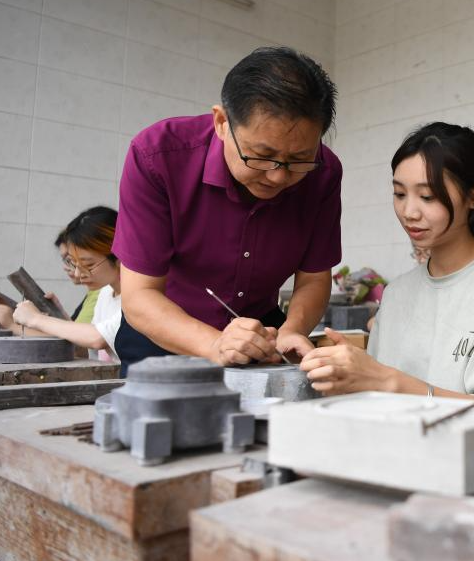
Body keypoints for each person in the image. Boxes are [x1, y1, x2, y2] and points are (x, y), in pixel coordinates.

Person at [112, 47, 342, 371]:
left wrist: (292, 330)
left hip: (262, 337)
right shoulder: (157, 156)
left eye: (298, 159)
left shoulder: (323, 173)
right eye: (262, 155)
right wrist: (214, 344)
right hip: (164, 333)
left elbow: (314, 279)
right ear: (222, 122)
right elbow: (140, 296)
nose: (278, 176)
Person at [300, 122, 474, 405]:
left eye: (427, 196)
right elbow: (378, 402)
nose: (409, 212)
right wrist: (349, 381)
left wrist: (388, 381)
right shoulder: (397, 293)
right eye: (399, 194)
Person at [10, 207, 123, 359]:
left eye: (88, 265)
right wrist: (60, 317)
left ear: (119, 256)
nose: (77, 274)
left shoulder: (138, 296)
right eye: (73, 264)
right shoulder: (105, 293)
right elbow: (86, 348)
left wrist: (35, 319)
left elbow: (98, 338)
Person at [0, 228, 101, 336]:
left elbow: (78, 340)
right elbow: (76, 335)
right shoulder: (93, 293)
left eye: (70, 260)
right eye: (69, 261)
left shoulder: (101, 293)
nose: (69, 268)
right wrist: (58, 314)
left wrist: (13, 325)